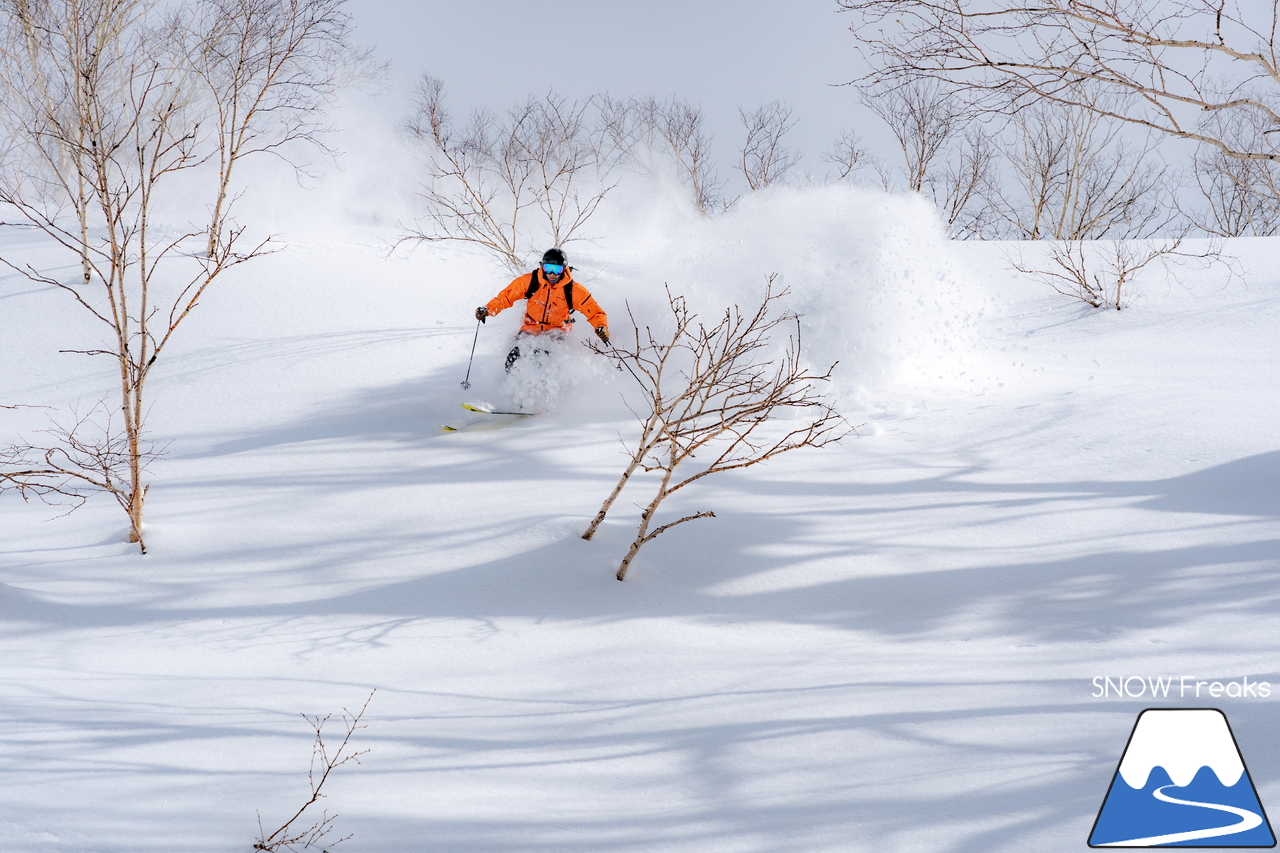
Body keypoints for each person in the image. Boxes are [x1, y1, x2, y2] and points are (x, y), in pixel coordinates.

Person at [475, 248, 610, 370]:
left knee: (543, 357)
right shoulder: (530, 282)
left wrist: (601, 327)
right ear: (542, 267)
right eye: (548, 268)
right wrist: (488, 309)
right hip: (530, 327)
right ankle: (512, 387)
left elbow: (593, 311)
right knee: (514, 357)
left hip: (557, 331)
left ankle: (546, 391)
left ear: (564, 269)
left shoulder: (573, 290)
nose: (552, 274)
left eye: (557, 270)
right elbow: (506, 297)